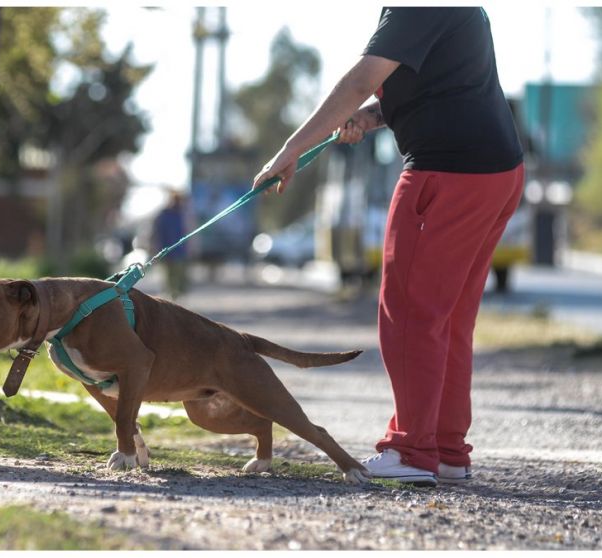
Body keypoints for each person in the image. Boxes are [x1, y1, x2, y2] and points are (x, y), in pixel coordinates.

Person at [253, 7, 524, 487]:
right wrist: (373, 116)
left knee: (410, 315)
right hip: (496, 170)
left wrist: (289, 151)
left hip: (447, 171)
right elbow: (436, 86)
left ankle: (412, 450)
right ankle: (444, 449)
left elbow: (361, 79)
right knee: (449, 319)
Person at [152, 190, 189, 299]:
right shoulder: (164, 214)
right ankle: (171, 292)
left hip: (179, 250)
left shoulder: (182, 213)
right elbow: (156, 231)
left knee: (179, 273)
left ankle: (175, 292)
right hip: (166, 249)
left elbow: (187, 229)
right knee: (169, 274)